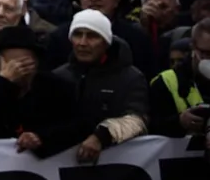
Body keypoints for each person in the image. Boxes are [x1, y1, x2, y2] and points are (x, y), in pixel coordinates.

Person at [0, 25, 79, 157]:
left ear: (36, 63)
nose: (19, 70)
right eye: (13, 64)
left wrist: (41, 137)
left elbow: (75, 126)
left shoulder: (57, 87)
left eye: (25, 64)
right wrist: (3, 82)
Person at [52, 9, 149, 162]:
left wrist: (101, 136)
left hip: (118, 164)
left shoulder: (130, 77)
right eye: (77, 35)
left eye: (92, 36)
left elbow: (137, 120)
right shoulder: (58, 76)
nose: (82, 43)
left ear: (106, 42)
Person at [149, 17, 210, 137]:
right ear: (193, 48)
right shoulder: (166, 82)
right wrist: (179, 122)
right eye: (208, 54)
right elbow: (151, 128)